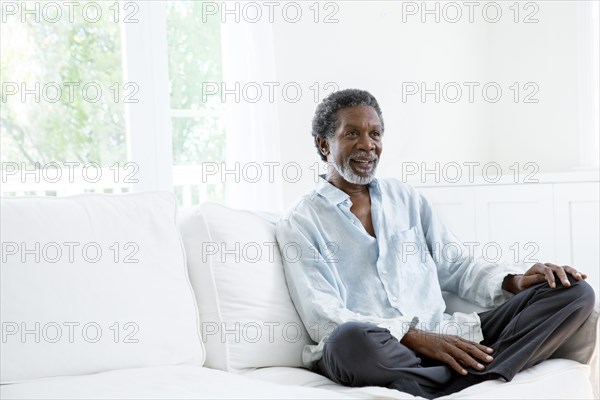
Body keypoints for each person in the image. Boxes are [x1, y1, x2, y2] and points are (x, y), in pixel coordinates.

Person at [275, 88, 595, 398]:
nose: (367, 145)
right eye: (352, 134)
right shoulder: (301, 222)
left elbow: (455, 265)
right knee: (348, 340)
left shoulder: (406, 198)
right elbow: (323, 316)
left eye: (375, 134)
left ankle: (443, 378)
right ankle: (472, 374)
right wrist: (414, 338)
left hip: (446, 335)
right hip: (382, 349)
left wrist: (516, 280)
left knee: (575, 294)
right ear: (323, 144)